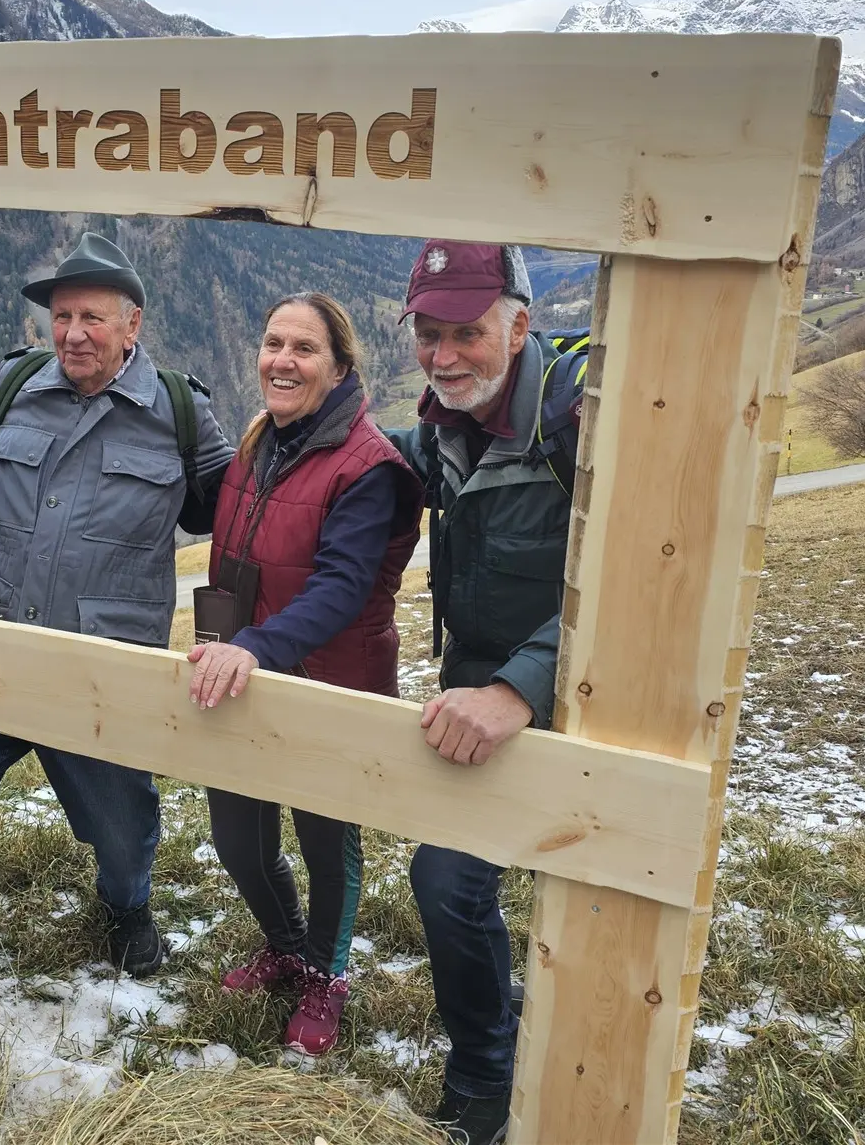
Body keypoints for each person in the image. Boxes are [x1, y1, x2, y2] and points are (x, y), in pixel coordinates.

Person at [0, 231, 233, 977]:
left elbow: (243, 507)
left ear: (132, 324)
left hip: (100, 669)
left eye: (92, 318)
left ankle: (127, 907)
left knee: (123, 832)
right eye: (61, 316)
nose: (71, 333)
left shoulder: (178, 412)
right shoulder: (15, 386)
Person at [186, 293, 422, 1055]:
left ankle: (328, 970)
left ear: (341, 366)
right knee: (238, 838)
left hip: (329, 678)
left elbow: (342, 588)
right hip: (242, 670)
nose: (281, 360)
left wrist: (253, 645)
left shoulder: (368, 466)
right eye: (272, 343)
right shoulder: (262, 442)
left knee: (327, 837)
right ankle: (286, 943)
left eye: (304, 348)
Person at [386, 240, 577, 1145]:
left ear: (519, 324)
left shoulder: (581, 417)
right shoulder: (437, 426)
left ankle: (522, 1066)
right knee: (450, 881)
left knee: (576, 894)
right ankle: (489, 1061)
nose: (445, 353)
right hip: (477, 697)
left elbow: (649, 575)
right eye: (429, 331)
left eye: (466, 331)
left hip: (580, 696)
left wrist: (519, 689)